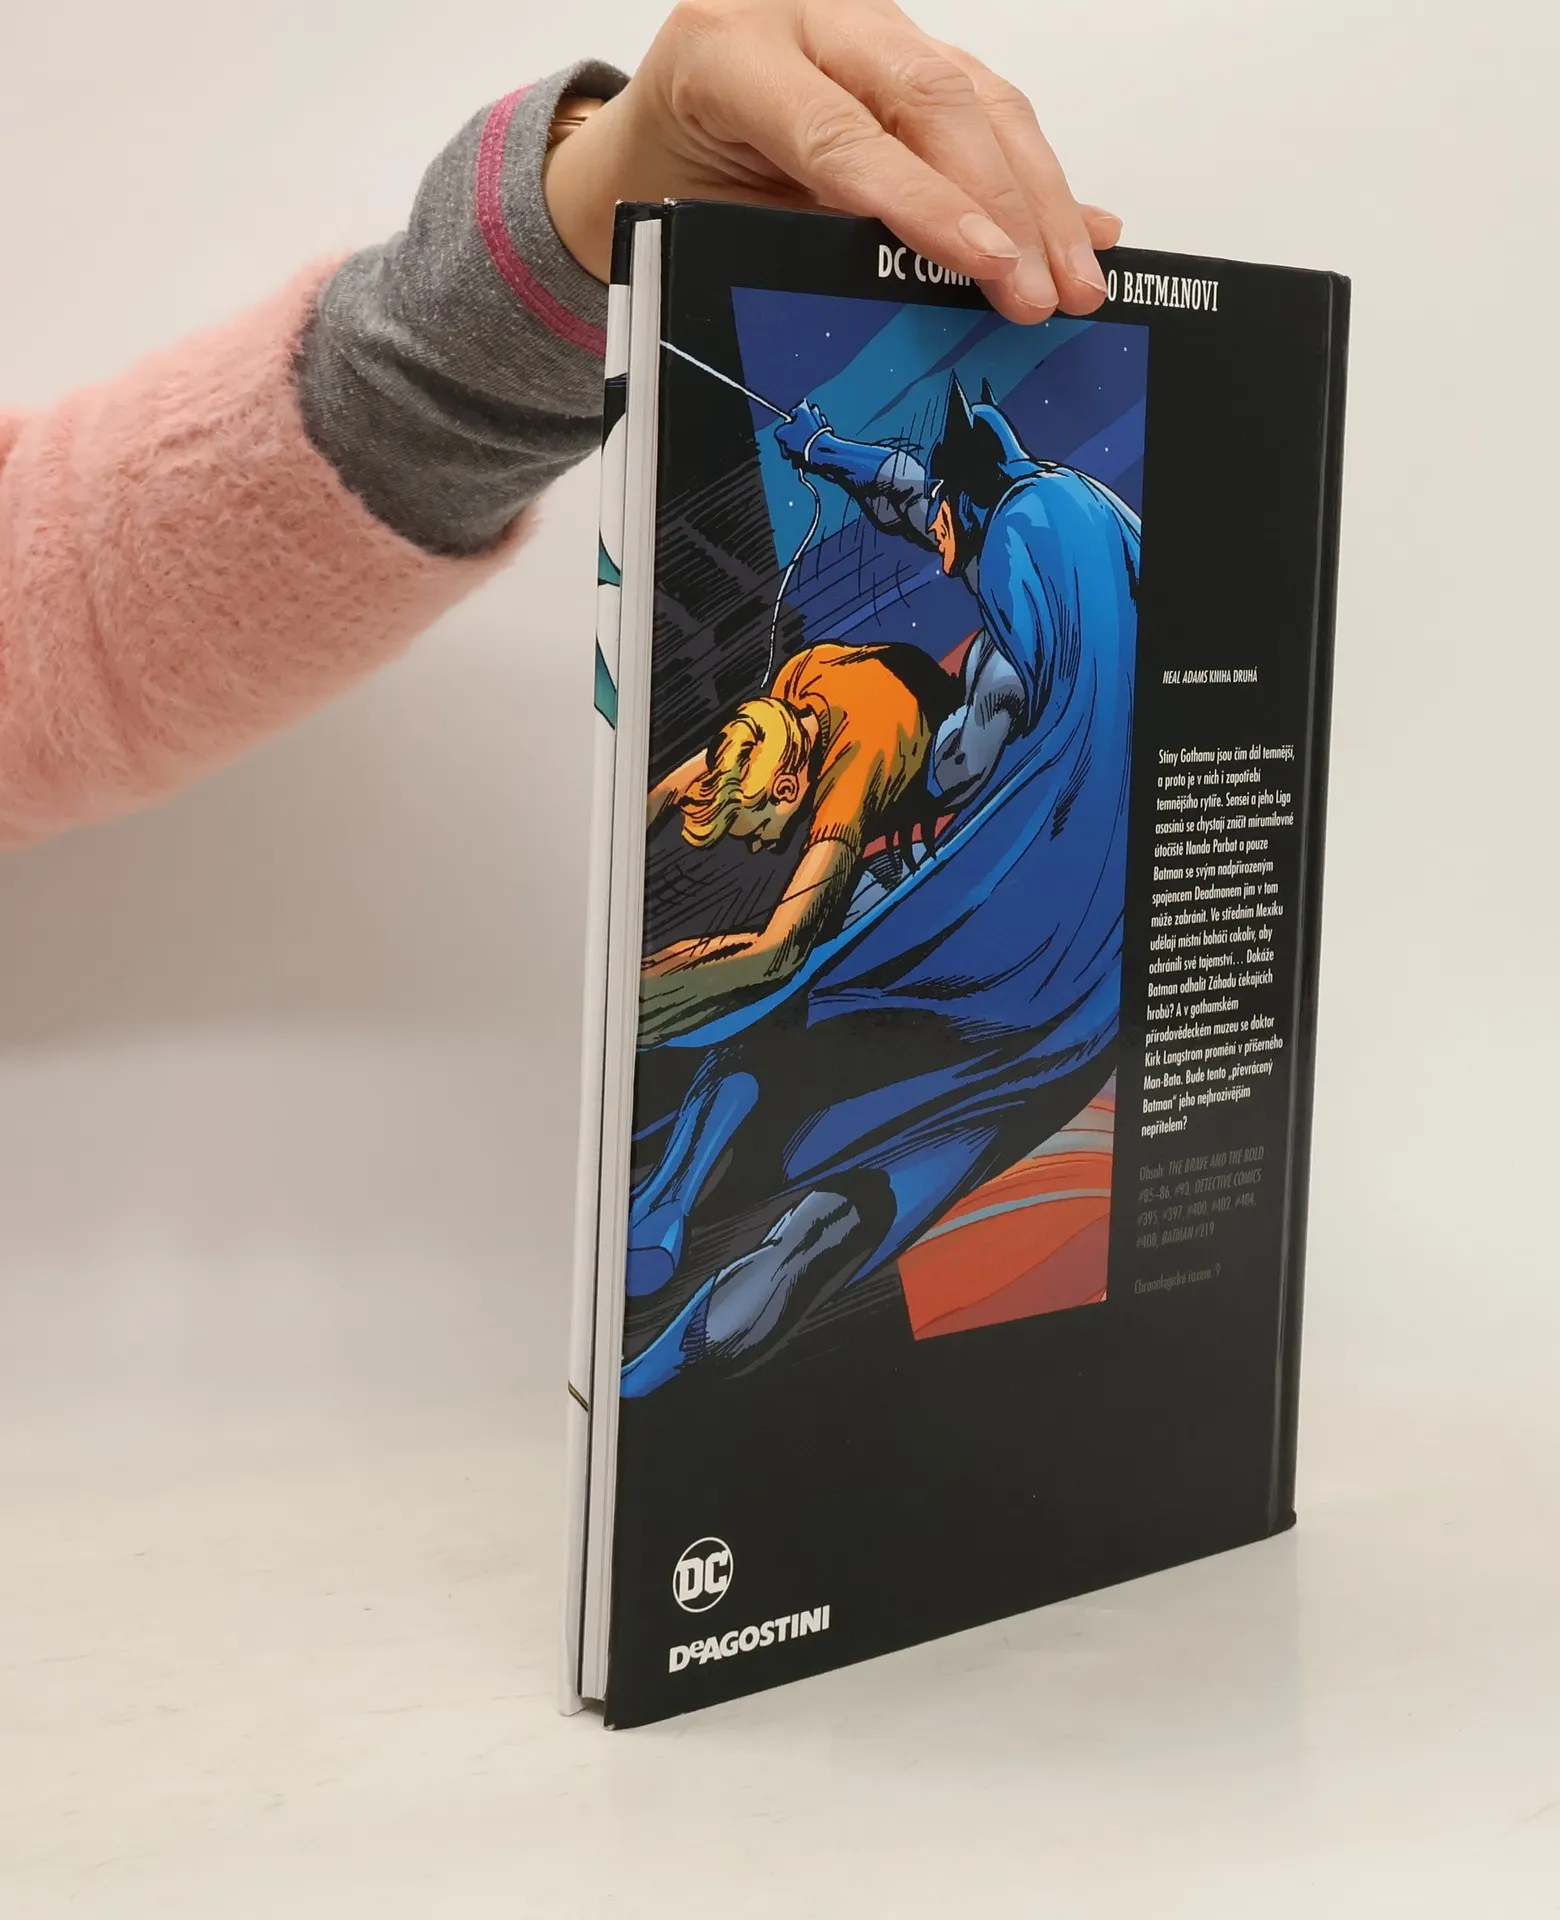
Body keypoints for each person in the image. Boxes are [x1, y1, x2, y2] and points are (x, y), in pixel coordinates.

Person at [0, 0, 1120, 851]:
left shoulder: (982, 614)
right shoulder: (917, 612)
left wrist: (563, 237)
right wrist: (823, 451)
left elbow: (57, 611)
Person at [621, 373, 1140, 1394]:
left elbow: (964, 762)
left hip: (1003, 928)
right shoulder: (1090, 517)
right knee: (871, 1198)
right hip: (1097, 996)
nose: (931, 534)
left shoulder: (1009, 596)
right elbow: (913, 491)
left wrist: (893, 785)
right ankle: (653, 1373)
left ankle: (664, 1204)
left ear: (970, 511)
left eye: (943, 521)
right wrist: (823, 451)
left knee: (806, 999)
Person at [640, 638, 961, 1044]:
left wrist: (659, 987)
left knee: (798, 934)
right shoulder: (793, 687)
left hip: (927, 741)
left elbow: (779, 954)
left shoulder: (853, 770)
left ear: (786, 789)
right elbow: (693, 778)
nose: (757, 845)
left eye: (756, 831)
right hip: (891, 680)